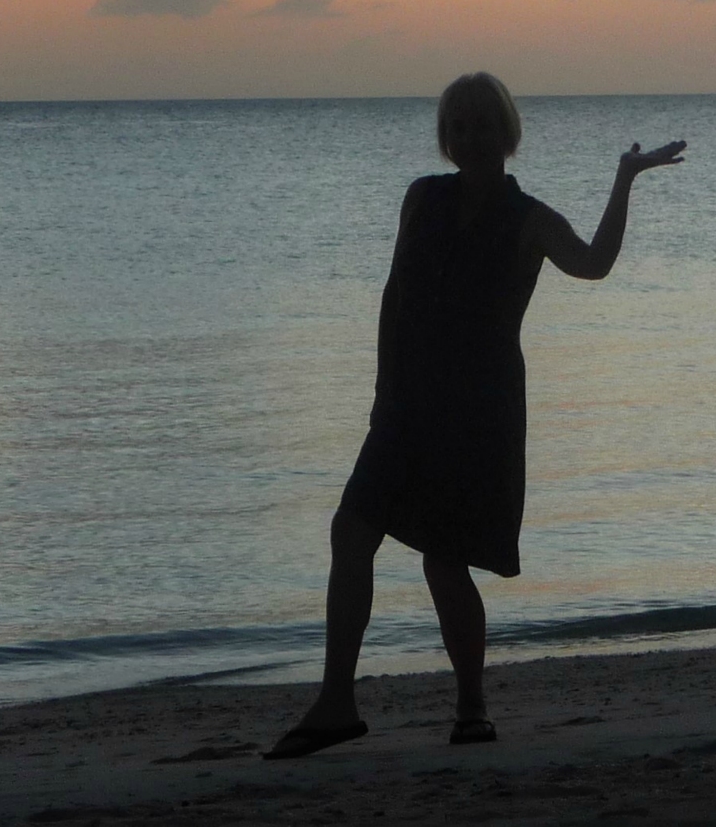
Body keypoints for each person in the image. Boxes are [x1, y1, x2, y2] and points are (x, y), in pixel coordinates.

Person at [264, 73, 684, 759]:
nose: (471, 134)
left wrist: (626, 177)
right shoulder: (421, 198)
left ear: (507, 131)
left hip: (478, 409)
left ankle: (472, 705)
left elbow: (594, 263)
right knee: (351, 531)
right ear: (446, 136)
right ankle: (336, 700)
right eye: (458, 124)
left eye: (483, 122)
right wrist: (381, 387)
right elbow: (395, 294)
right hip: (404, 402)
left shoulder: (530, 218)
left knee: (444, 559)